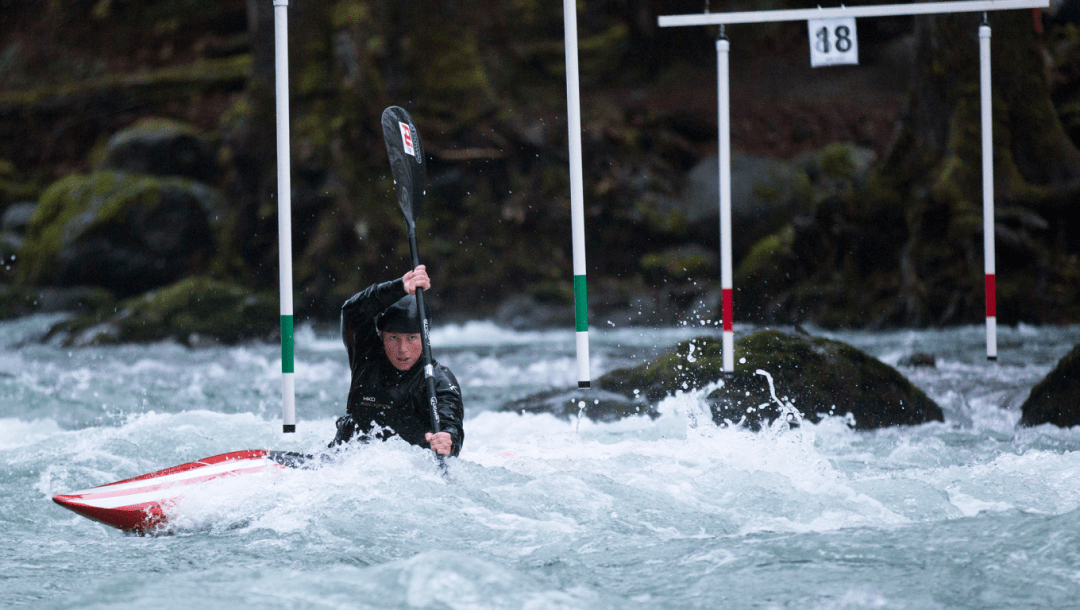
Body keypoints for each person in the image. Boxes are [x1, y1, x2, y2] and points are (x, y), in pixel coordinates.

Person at [331, 265, 464, 457]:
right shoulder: (366, 356)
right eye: (394, 338)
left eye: (412, 338)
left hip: (406, 473)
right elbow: (352, 312)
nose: (403, 350)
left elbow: (451, 426)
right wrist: (397, 288)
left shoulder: (439, 380)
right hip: (346, 464)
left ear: (425, 337)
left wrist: (448, 439)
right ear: (381, 335)